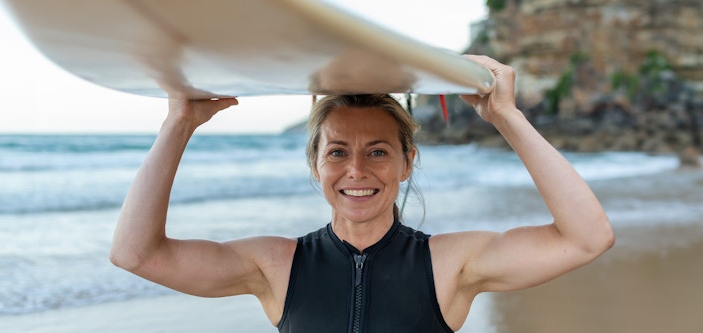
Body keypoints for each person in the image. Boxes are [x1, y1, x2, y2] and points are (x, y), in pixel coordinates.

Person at [110, 55, 615, 332]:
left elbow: (587, 238)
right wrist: (179, 123)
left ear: (405, 161)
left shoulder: (450, 263)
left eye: (377, 152)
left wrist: (507, 115)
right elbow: (136, 254)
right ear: (315, 164)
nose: (356, 170)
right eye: (336, 153)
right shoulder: (275, 264)